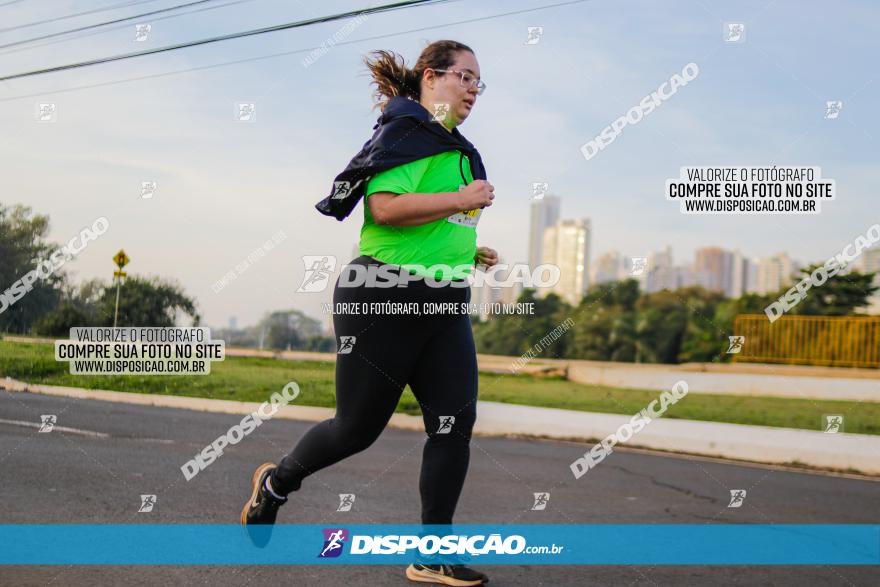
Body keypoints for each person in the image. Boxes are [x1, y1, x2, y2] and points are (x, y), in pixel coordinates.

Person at [241, 39, 498, 586]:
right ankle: (276, 483)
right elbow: (384, 209)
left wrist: (467, 249)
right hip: (381, 295)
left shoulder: (456, 149)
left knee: (454, 423)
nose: (474, 90)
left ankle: (432, 554)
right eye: (465, 77)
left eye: (480, 82)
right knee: (357, 428)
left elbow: (428, 222)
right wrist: (463, 200)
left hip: (444, 302)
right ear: (431, 77)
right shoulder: (405, 133)